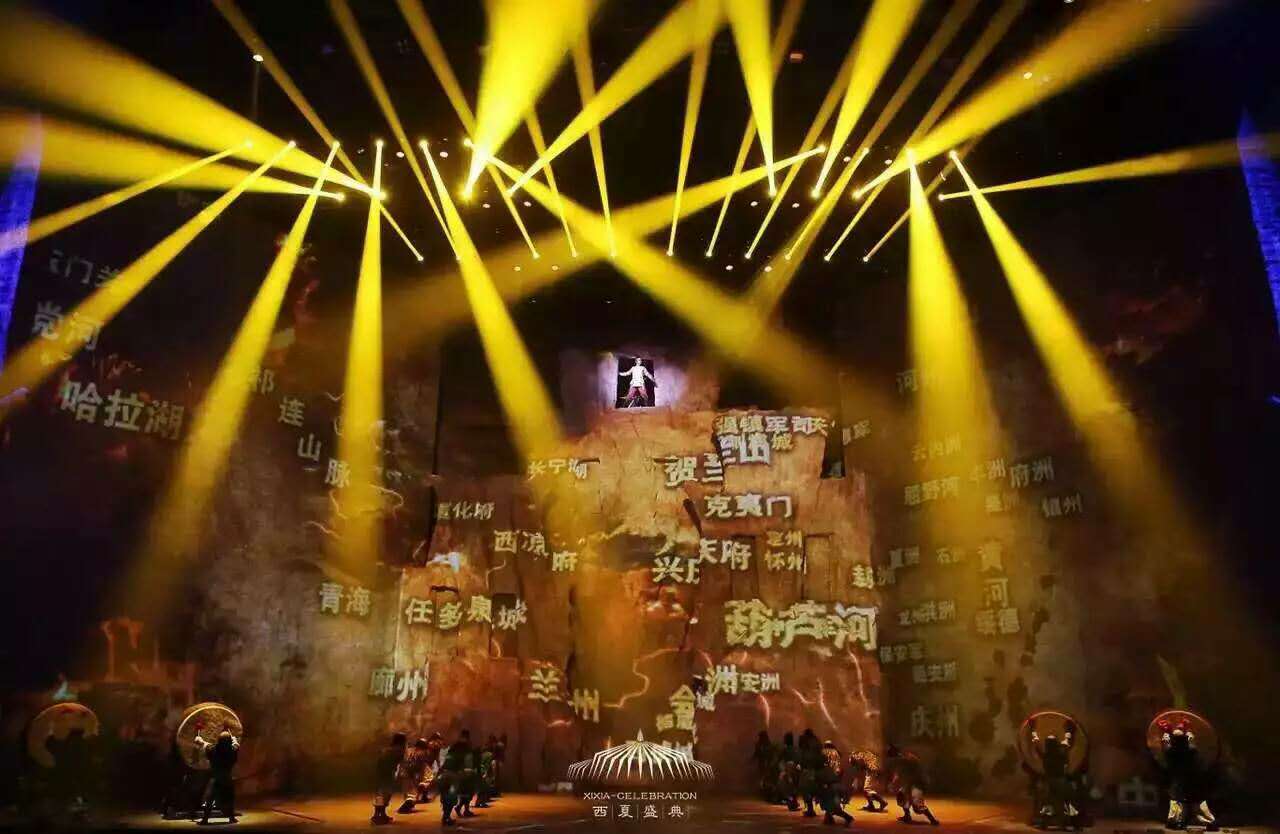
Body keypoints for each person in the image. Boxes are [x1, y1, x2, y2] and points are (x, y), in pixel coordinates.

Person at [1159, 719, 1217, 831]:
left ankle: (1176, 821)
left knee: (1180, 800)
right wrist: (1188, 730)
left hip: (1183, 781)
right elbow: (1190, 740)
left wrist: (1166, 732)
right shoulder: (1190, 750)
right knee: (1192, 802)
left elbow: (1166, 743)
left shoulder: (1172, 752)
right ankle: (1209, 821)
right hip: (1189, 781)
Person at [1029, 726, 1081, 830]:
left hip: (1051, 782)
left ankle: (1046, 823)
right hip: (1060, 781)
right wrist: (1069, 731)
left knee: (1049, 802)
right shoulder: (1061, 752)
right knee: (1066, 802)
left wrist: (1033, 730)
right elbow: (1067, 741)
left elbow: (1036, 743)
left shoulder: (1045, 755)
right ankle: (1073, 824)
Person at [45, 727, 92, 821]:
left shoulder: (67, 743)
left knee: (72, 793)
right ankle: (78, 813)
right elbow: (82, 758)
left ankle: (74, 813)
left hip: (70, 771)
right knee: (77, 793)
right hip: (76, 772)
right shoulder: (79, 743)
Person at [886, 745, 939, 826]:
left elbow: (914, 763)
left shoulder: (908, 758)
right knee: (902, 796)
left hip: (917, 784)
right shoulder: (899, 762)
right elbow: (898, 774)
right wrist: (893, 783)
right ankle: (907, 816)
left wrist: (907, 758)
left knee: (917, 806)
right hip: (908, 784)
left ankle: (932, 820)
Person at [197, 731, 239, 825]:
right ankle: (231, 818)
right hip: (227, 778)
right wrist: (234, 740)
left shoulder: (214, 750)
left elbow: (205, 745)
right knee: (229, 799)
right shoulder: (232, 751)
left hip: (216, 778)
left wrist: (200, 740)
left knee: (210, 799)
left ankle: (205, 819)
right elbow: (236, 746)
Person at [372, 733, 406, 825]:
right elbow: (399, 762)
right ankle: (379, 815)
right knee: (385, 793)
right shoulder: (398, 750)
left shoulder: (388, 750)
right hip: (387, 773)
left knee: (380, 793)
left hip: (382, 772)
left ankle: (378, 814)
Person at [818, 740, 853, 827]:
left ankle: (847, 817)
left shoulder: (823, 753)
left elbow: (822, 767)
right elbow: (839, 769)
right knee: (831, 801)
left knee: (830, 802)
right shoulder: (836, 753)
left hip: (828, 781)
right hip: (835, 779)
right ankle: (828, 818)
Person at [397, 738, 432, 814]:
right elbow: (416, 766)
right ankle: (406, 806)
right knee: (412, 793)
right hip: (408, 773)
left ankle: (410, 802)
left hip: (405, 773)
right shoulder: (419, 753)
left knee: (411, 792)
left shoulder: (410, 751)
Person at [798, 729, 823, 818]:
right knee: (810, 790)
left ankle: (810, 810)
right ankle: (811, 809)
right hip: (815, 770)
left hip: (809, 770)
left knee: (805, 789)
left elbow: (806, 758)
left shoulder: (808, 745)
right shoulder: (816, 742)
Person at [751, 731, 778, 802]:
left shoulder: (769, 745)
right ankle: (764, 794)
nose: (760, 738)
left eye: (761, 737)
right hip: (762, 765)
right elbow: (756, 754)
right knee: (763, 779)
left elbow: (771, 755)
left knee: (767, 779)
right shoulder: (759, 745)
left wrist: (771, 764)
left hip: (768, 765)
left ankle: (768, 794)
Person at [778, 732, 801, 811]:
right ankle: (793, 802)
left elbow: (779, 758)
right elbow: (798, 758)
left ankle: (792, 803)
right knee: (793, 786)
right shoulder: (795, 749)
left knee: (788, 786)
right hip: (795, 768)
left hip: (789, 769)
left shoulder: (785, 749)